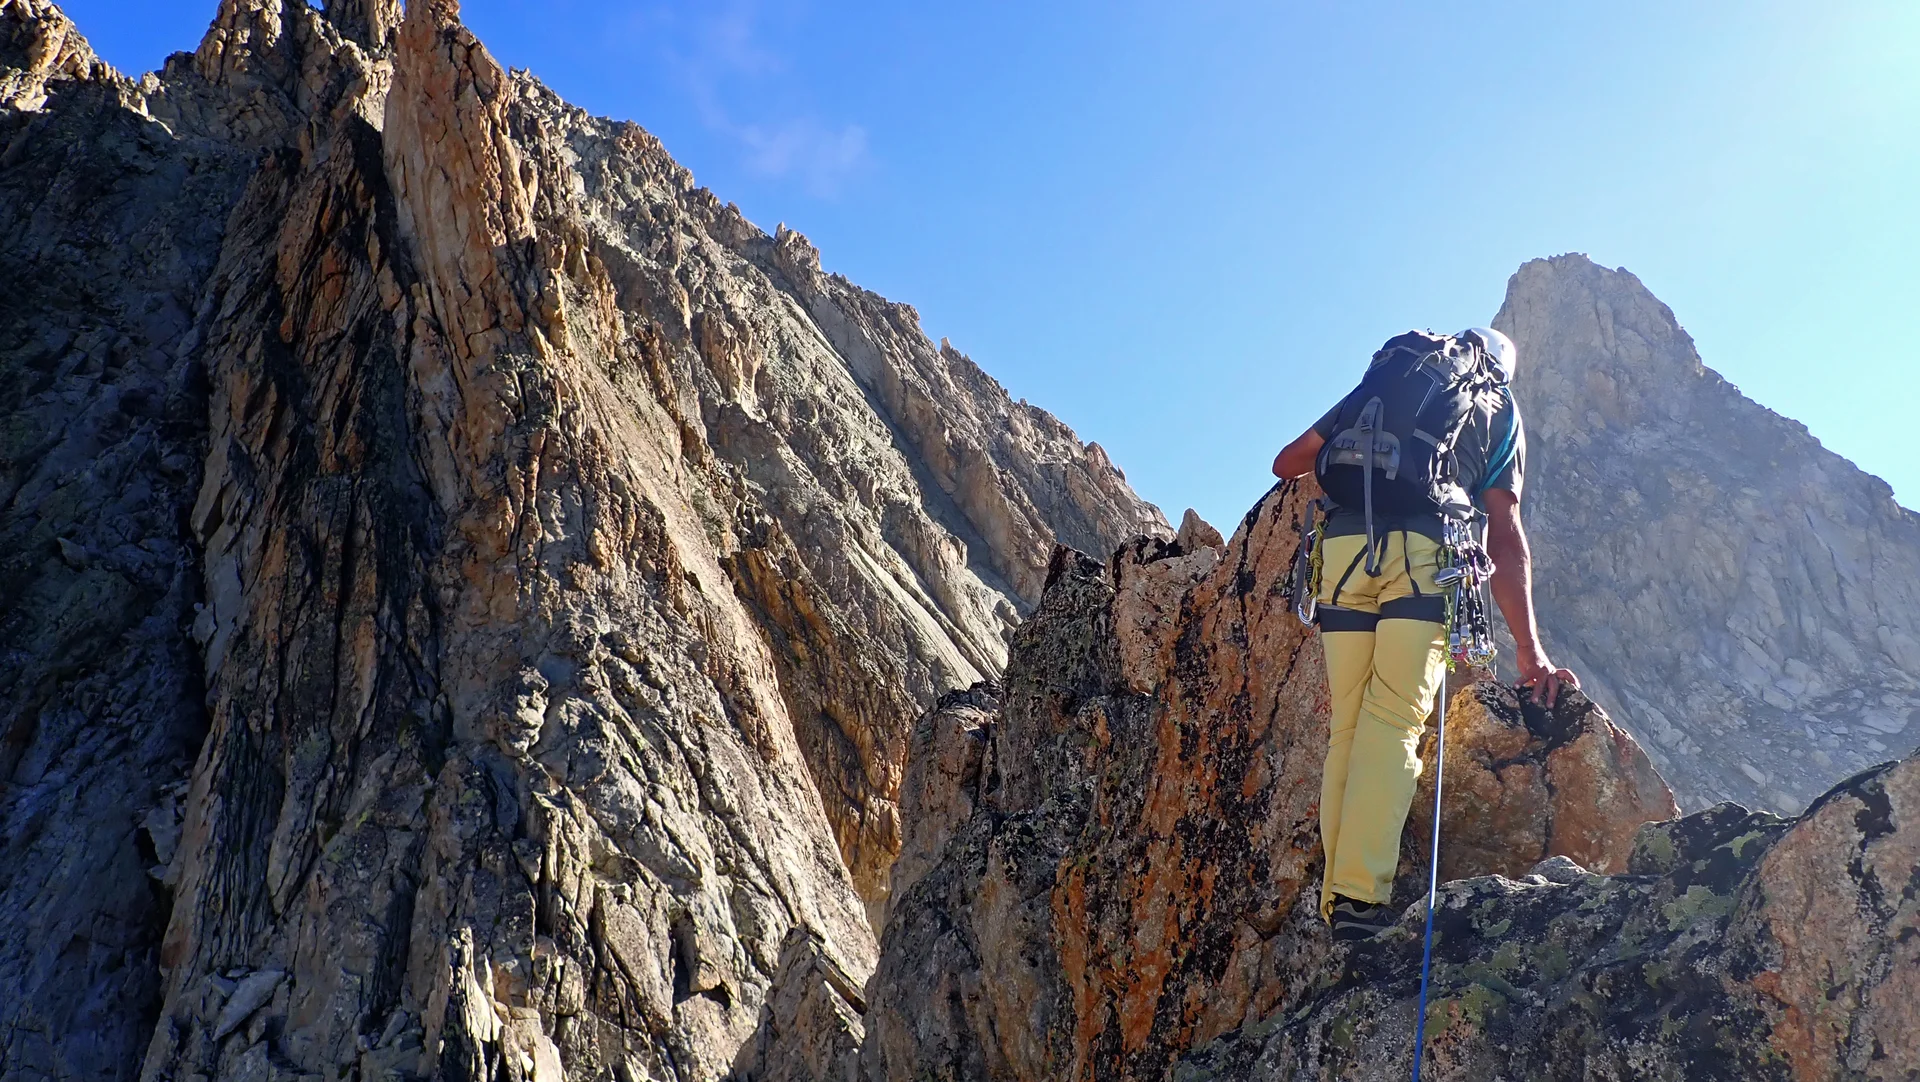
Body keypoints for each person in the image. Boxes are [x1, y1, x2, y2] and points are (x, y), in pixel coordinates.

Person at [1270, 326, 1580, 942]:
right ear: (1501, 369)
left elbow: (1288, 462)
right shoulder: (1495, 404)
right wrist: (1528, 647)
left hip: (1340, 553)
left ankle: (1339, 898)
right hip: (1423, 555)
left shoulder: (1395, 378)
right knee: (1393, 722)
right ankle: (1359, 902)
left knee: (1349, 729)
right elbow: (1504, 528)